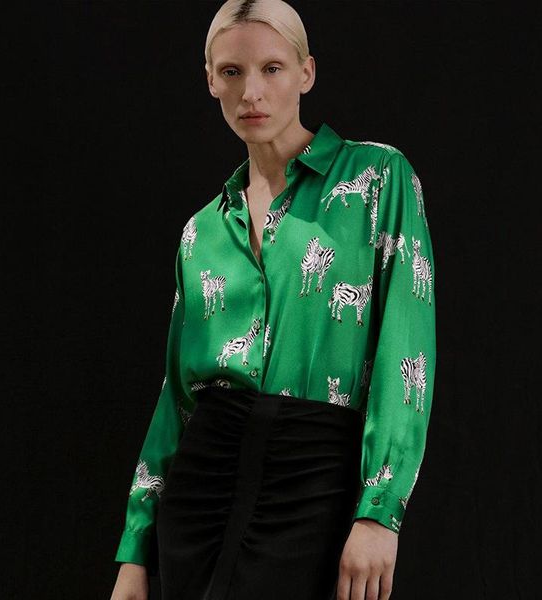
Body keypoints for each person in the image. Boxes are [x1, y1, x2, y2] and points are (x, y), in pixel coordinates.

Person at [110, 1, 436, 599]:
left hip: (317, 477)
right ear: (211, 80)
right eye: (232, 72)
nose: (251, 92)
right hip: (202, 489)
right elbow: (177, 397)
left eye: (272, 68)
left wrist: (379, 511)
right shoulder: (201, 232)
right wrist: (135, 552)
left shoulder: (378, 179)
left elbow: (405, 351)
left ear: (306, 73)